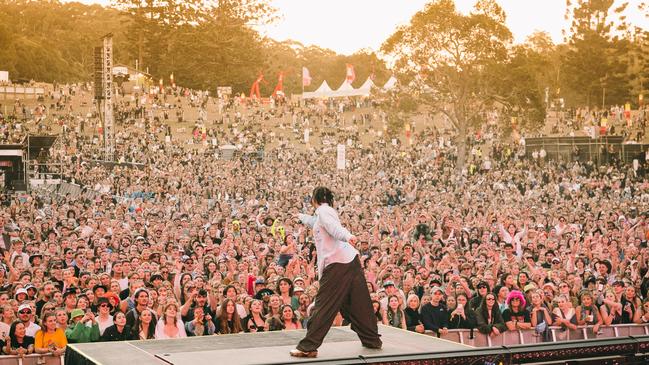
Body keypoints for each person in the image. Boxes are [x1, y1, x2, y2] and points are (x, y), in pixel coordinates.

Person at [290, 187, 381, 358]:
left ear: (314, 199)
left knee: (324, 304)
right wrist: (301, 217)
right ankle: (372, 339)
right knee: (358, 304)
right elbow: (316, 222)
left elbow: (334, 228)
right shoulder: (324, 213)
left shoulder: (323, 211)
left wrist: (348, 236)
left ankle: (309, 346)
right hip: (350, 261)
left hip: (337, 264)